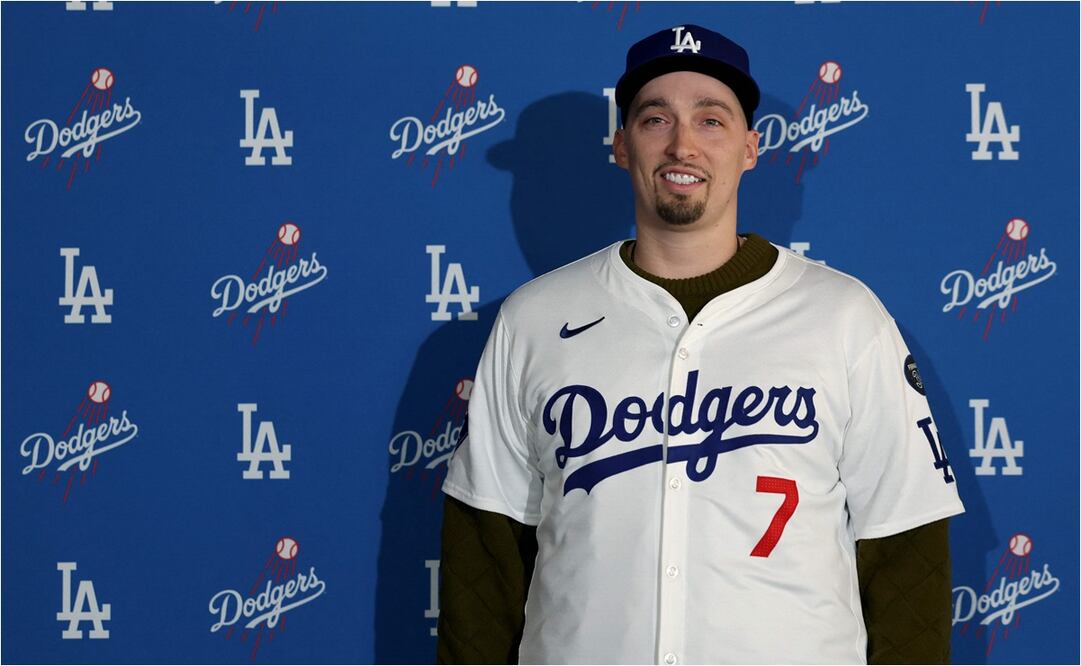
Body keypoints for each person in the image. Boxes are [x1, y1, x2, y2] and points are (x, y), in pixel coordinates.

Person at [438, 24, 965, 665]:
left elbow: (905, 546)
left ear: (750, 148)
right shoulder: (534, 318)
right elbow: (484, 557)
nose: (682, 143)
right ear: (621, 146)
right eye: (655, 119)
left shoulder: (844, 315)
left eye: (711, 120)